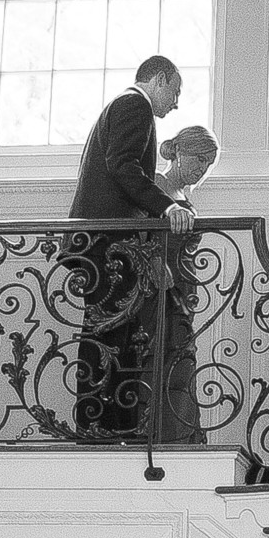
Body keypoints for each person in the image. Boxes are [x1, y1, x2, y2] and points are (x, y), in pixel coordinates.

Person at [68, 56, 197, 441]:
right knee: (108, 336)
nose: (175, 104)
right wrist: (167, 206)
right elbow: (124, 168)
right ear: (159, 80)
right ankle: (101, 428)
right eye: (175, 92)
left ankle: (107, 426)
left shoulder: (124, 106)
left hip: (110, 243)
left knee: (115, 337)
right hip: (108, 245)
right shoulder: (133, 105)